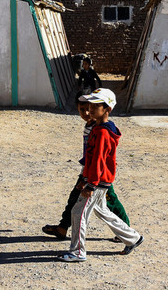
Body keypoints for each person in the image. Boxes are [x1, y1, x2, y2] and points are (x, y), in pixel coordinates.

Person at [58, 88, 143, 262]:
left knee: (78, 213)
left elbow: (98, 160)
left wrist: (90, 184)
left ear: (107, 110)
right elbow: (90, 159)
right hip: (95, 179)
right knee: (101, 210)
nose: (89, 109)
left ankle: (77, 252)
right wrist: (83, 178)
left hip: (97, 181)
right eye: (89, 105)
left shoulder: (103, 133)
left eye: (95, 106)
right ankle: (133, 237)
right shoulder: (97, 128)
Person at [42, 92, 130, 240]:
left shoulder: (102, 128)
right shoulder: (91, 126)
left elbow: (101, 154)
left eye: (92, 108)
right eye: (83, 109)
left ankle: (127, 230)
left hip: (98, 175)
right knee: (76, 198)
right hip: (90, 172)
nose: (87, 112)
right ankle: (63, 227)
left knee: (110, 203)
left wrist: (92, 179)